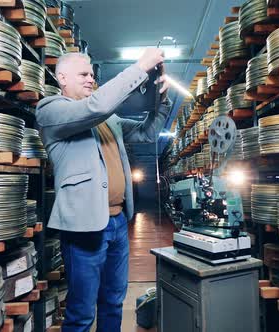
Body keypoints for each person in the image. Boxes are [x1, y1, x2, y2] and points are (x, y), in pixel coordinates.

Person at [36, 49, 171, 332]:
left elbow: (147, 132)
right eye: (84, 74)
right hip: (85, 227)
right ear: (62, 78)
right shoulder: (51, 111)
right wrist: (139, 67)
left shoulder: (108, 120)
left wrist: (161, 99)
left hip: (118, 222)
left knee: (113, 301)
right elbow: (95, 107)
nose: (90, 80)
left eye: (92, 76)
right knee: (82, 312)